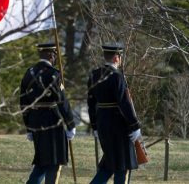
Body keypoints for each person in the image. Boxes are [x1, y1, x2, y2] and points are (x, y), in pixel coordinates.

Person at [19, 43, 76, 184]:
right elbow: (62, 101)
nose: (56, 58)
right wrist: (70, 124)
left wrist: (29, 128)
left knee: (41, 162)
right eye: (56, 55)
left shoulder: (29, 73)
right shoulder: (54, 74)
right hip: (52, 122)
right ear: (51, 55)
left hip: (35, 121)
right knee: (54, 163)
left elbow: (23, 103)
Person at [87, 42, 142, 184]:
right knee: (122, 166)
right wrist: (135, 125)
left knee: (109, 164)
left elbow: (91, 103)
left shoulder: (94, 75)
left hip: (102, 124)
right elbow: (124, 103)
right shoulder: (117, 76)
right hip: (118, 126)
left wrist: (94, 126)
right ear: (117, 58)